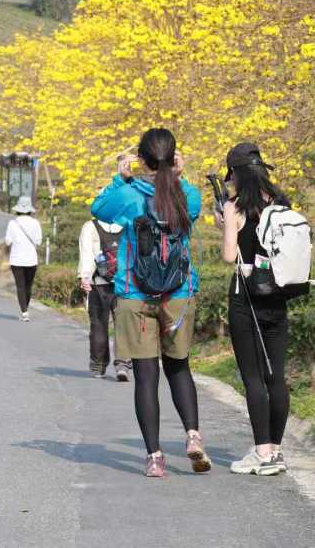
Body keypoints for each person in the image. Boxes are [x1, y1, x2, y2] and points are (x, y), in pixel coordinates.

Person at [92, 128, 210, 478]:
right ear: (173, 158)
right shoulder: (187, 195)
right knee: (179, 367)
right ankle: (193, 435)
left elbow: (99, 209)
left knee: (146, 376)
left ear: (141, 159)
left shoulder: (128, 196)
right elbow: (192, 208)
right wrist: (179, 176)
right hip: (178, 294)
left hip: (136, 294)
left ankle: (155, 457)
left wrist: (121, 176)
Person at [216, 143, 292, 477]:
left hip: (246, 298)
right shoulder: (281, 203)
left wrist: (225, 226)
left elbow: (229, 256)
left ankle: (262, 453)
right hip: (277, 295)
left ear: (235, 174)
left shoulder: (235, 207)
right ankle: (275, 449)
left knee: (253, 376)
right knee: (277, 376)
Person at [79, 217, 130, 380]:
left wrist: (85, 277)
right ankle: (123, 365)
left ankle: (98, 366)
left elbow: (87, 254)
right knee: (123, 325)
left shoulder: (90, 226)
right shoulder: (128, 223)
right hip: (124, 284)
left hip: (99, 284)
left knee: (98, 325)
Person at [4, 196, 42, 322]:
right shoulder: (35, 223)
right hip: (31, 259)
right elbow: (39, 241)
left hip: (16, 259)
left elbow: (8, 241)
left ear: (18, 209)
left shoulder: (13, 223)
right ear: (30, 209)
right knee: (28, 286)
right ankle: (25, 308)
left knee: (20, 286)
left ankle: (24, 312)